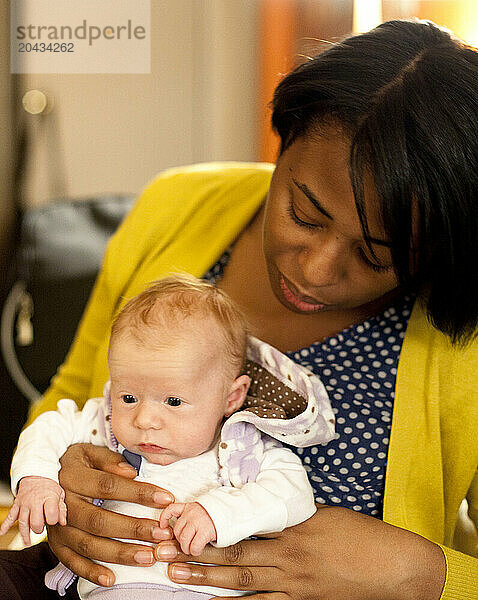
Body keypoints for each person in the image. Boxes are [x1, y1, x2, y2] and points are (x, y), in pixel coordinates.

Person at [0, 17, 477, 600]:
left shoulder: (465, 339)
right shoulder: (174, 206)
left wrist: (421, 574)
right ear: (281, 142)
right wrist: (60, 486)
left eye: (377, 255)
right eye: (304, 214)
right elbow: (70, 391)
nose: (316, 270)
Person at [1, 274, 332, 598]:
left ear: (231, 398)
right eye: (128, 396)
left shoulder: (244, 450)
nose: (144, 420)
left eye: (174, 402)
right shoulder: (103, 420)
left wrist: (218, 514)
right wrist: (38, 478)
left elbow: (293, 495)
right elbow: (50, 425)